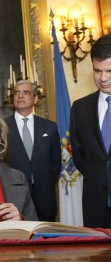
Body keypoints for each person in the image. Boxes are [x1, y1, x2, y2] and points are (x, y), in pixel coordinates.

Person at [70, 34, 111, 228]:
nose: (103, 78)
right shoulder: (80, 108)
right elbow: (79, 157)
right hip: (96, 208)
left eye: (110, 71)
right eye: (97, 70)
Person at [6, 80, 61, 222]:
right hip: (13, 200)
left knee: (46, 242)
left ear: (35, 98)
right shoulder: (2, 127)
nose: (20, 96)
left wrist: (44, 180)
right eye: (16, 93)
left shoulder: (49, 127)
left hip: (45, 198)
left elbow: (55, 163)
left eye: (26, 92)